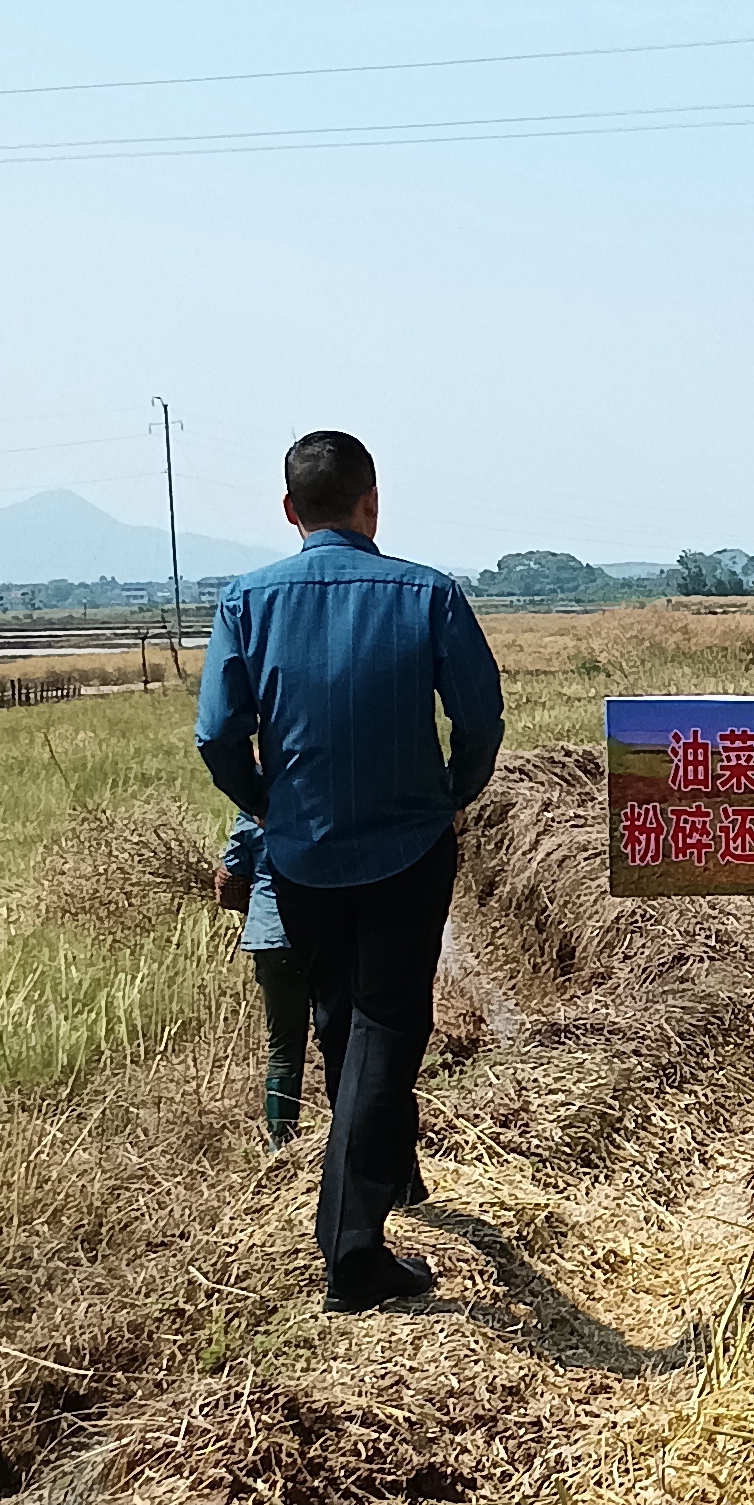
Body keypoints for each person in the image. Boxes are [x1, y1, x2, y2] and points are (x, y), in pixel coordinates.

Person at [196, 430, 503, 1314]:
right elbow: (480, 716)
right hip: (409, 848)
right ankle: (353, 1250)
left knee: (340, 1016)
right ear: (373, 503)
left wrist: (266, 807)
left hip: (303, 855)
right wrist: (455, 791)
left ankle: (391, 1170)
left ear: (291, 512)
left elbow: (217, 734)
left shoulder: (246, 602)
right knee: (388, 1023)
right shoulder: (428, 594)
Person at [218, 812, 342, 1151]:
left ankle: (280, 1141)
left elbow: (230, 881)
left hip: (271, 938)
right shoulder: (323, 804)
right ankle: (346, 1133)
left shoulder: (252, 812)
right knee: (337, 1037)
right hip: (323, 934)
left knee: (283, 1045)